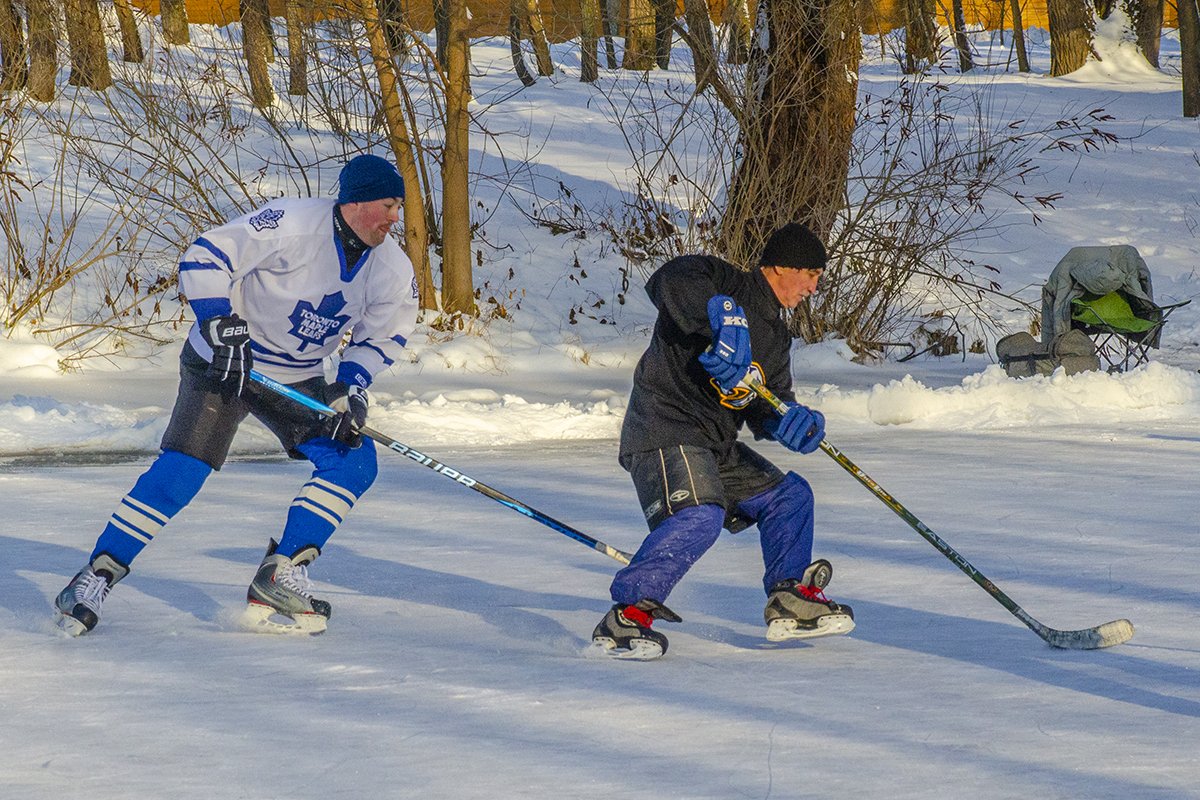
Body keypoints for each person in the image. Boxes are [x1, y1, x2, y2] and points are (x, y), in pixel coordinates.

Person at [54, 154, 419, 636]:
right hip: (225, 363)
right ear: (356, 202)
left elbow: (382, 337)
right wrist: (220, 323)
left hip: (296, 376)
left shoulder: (391, 267)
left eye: (399, 207)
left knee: (353, 461)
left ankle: (281, 573)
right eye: (388, 206)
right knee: (185, 468)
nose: (397, 218)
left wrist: (352, 387)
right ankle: (95, 576)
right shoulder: (291, 222)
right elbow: (207, 255)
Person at [591, 222, 854, 660]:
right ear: (783, 266)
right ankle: (626, 617)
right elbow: (667, 280)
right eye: (810, 274)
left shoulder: (775, 338)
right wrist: (721, 311)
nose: (813, 287)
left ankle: (789, 597)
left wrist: (789, 421)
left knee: (791, 497)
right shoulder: (719, 279)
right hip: (664, 429)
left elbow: (766, 406)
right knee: (699, 515)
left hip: (714, 445)